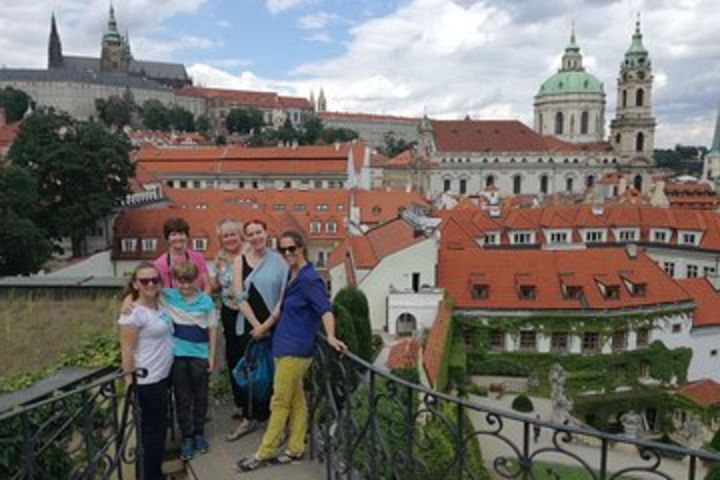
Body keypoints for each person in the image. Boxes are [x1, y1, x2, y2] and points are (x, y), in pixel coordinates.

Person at [237, 230, 345, 471]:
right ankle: (295, 448)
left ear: (301, 248)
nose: (288, 253)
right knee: (297, 401)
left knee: (279, 401)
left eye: (292, 249)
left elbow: (325, 309)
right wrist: (263, 328)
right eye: (283, 250)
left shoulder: (309, 279)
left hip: (296, 349)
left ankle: (263, 453)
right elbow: (280, 308)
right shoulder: (290, 273)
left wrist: (331, 336)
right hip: (283, 344)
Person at [226, 219, 288, 442]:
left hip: (275, 325)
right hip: (249, 327)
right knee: (251, 373)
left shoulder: (280, 261)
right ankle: (250, 417)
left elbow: (283, 297)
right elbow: (239, 296)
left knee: (275, 375)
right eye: (250, 234)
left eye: (258, 232)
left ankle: (277, 423)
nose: (255, 237)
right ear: (246, 238)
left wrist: (267, 325)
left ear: (266, 232)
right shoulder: (238, 261)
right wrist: (256, 326)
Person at [118, 262, 173, 480]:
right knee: (152, 433)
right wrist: (131, 381)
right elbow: (127, 349)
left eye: (154, 279)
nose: (150, 284)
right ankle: (150, 476)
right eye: (144, 280)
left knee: (157, 431)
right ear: (135, 283)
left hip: (161, 377)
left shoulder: (160, 304)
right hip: (147, 380)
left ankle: (153, 473)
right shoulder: (133, 314)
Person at [163, 262, 218, 461]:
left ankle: (199, 433)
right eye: (180, 281)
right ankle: (186, 436)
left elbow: (212, 329)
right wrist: (127, 308)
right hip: (177, 356)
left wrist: (211, 356)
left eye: (188, 281)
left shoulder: (205, 301)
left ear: (195, 280)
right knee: (182, 397)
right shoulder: (168, 296)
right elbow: (140, 293)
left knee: (200, 396)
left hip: (200, 354)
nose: (184, 286)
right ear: (175, 280)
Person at [210, 219, 247, 420]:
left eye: (233, 234)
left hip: (250, 311)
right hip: (229, 311)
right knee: (233, 356)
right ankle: (240, 402)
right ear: (221, 240)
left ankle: (257, 400)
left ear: (240, 235)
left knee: (250, 354)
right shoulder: (220, 257)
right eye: (225, 236)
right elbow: (216, 283)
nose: (230, 238)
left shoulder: (250, 253)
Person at [154, 217, 211, 293]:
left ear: (187, 236)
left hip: (196, 302)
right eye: (173, 235)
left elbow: (207, 286)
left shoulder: (198, 258)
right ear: (167, 238)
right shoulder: (159, 264)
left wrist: (201, 302)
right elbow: (158, 291)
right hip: (170, 304)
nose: (178, 238)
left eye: (181, 234)